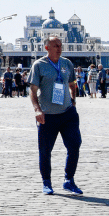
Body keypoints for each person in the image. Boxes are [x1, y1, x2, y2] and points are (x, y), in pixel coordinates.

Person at [29, 37, 84, 195]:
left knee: (74, 145)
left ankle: (69, 180)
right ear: (47, 47)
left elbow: (72, 84)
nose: (59, 48)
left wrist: (73, 101)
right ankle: (46, 182)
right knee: (45, 150)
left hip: (68, 114)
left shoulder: (67, 63)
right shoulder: (39, 65)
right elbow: (32, 90)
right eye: (55, 46)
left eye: (60, 45)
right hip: (47, 116)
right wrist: (37, 110)